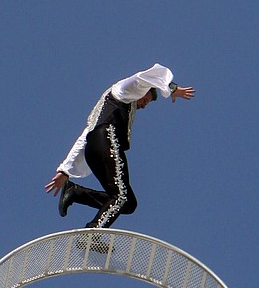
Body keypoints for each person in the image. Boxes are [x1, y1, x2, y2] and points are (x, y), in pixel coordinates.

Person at [45, 65, 195, 231]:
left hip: (94, 148)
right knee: (121, 196)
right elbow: (143, 77)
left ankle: (76, 193)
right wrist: (171, 88)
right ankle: (93, 233)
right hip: (105, 140)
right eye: (146, 100)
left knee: (129, 203)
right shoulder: (124, 89)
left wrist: (66, 170)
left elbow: (85, 136)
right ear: (143, 90)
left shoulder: (114, 106)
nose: (144, 105)